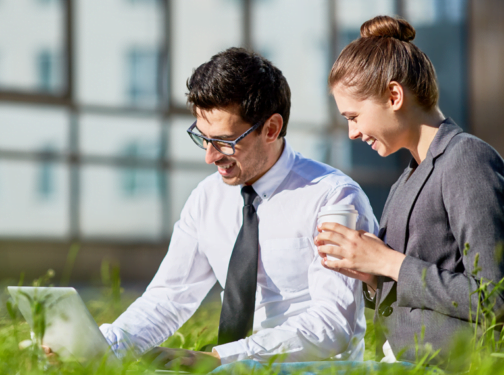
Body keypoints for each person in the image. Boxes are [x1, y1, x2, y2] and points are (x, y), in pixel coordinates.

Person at [98, 47, 379, 371]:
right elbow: (169, 297)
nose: (210, 156)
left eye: (225, 141)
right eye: (202, 138)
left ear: (271, 129)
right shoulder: (207, 198)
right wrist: (106, 346)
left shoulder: (332, 197)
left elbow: (333, 325)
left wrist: (222, 358)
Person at [316, 15, 504, 367]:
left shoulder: (466, 158)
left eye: (353, 117)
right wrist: (371, 274)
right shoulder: (405, 179)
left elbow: (494, 297)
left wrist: (389, 262)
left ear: (393, 95)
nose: (351, 133)